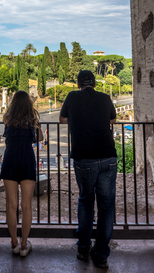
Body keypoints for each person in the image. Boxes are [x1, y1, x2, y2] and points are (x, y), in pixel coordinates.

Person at [59, 70, 117, 269]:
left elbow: (62, 119)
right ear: (94, 83)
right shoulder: (105, 97)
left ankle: (83, 248)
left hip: (83, 158)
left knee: (85, 201)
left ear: (78, 84)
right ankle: (101, 254)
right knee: (106, 206)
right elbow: (113, 120)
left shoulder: (72, 97)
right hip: (108, 157)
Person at [0, 90, 41, 257]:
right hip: (27, 160)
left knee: (11, 205)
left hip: (10, 159)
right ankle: (24, 244)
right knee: (26, 205)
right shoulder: (33, 119)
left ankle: (14, 242)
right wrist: (36, 125)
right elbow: (39, 138)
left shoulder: (7, 119)